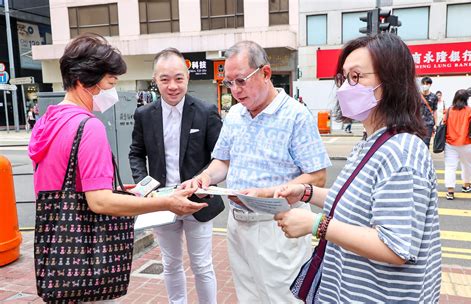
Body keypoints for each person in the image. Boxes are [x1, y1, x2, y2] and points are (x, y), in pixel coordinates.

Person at [28, 34, 205, 301]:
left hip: (57, 252)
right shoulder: (88, 127)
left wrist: (122, 192)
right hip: (86, 258)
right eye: (110, 82)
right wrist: (166, 204)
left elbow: (71, 183)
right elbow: (100, 202)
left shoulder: (47, 121)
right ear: (83, 81)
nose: (113, 90)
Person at [273, 33, 441, 303]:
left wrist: (317, 225)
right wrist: (306, 193)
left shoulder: (403, 151)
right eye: (343, 78)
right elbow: (355, 203)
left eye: (356, 76)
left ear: (391, 81)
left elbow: (394, 246)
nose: (345, 88)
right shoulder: (372, 142)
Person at [183, 40, 331, 303]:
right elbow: (223, 162)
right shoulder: (235, 115)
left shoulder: (296, 116)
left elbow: (317, 176)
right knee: (247, 294)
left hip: (277, 225)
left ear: (265, 73)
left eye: (241, 80)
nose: (236, 90)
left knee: (282, 297)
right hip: (238, 223)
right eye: (229, 83)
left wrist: (268, 194)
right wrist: (204, 178)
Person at [129, 48, 223, 304]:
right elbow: (136, 153)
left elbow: (221, 157)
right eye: (165, 79)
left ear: (188, 78)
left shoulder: (206, 111)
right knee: (170, 264)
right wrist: (144, 185)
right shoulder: (144, 115)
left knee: (202, 265)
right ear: (155, 80)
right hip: (161, 202)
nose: (172, 86)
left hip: (198, 200)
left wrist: (205, 180)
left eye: (178, 78)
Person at [444, 89, 471, 200]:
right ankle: (466, 185)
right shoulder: (470, 111)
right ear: (467, 99)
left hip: (450, 143)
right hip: (467, 143)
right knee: (467, 165)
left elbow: (443, 123)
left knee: (450, 167)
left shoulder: (448, 111)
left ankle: (450, 192)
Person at [420, 76, 438, 148]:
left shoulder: (434, 97)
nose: (425, 85)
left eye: (427, 84)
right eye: (423, 83)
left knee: (426, 143)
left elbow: (435, 111)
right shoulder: (417, 95)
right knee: (418, 142)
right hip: (418, 122)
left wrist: (436, 124)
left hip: (429, 123)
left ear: (430, 85)